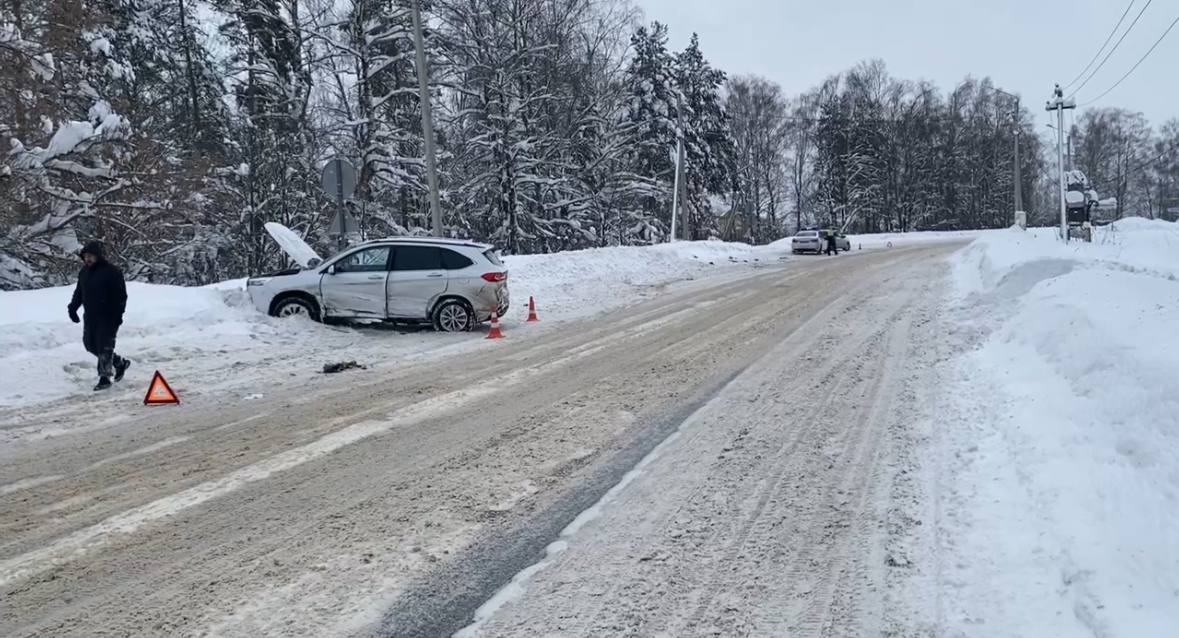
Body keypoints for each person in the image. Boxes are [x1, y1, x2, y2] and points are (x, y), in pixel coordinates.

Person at [68, 241, 130, 391]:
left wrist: (118, 315)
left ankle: (105, 377)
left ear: (98, 256)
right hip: (90, 316)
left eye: (91, 256)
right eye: (85, 256)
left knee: (104, 346)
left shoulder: (112, 272)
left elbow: (121, 296)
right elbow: (79, 292)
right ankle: (119, 363)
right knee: (90, 345)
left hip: (108, 316)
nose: (88, 259)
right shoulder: (84, 272)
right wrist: (73, 308)